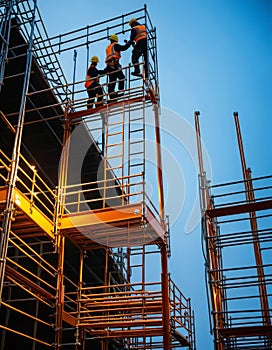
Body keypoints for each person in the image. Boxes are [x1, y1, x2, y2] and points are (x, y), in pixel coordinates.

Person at [104, 34, 130, 100]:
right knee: (121, 77)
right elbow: (124, 48)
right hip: (114, 65)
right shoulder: (115, 45)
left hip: (109, 67)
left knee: (112, 81)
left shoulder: (108, 47)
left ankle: (112, 96)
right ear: (116, 40)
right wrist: (129, 43)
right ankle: (120, 91)